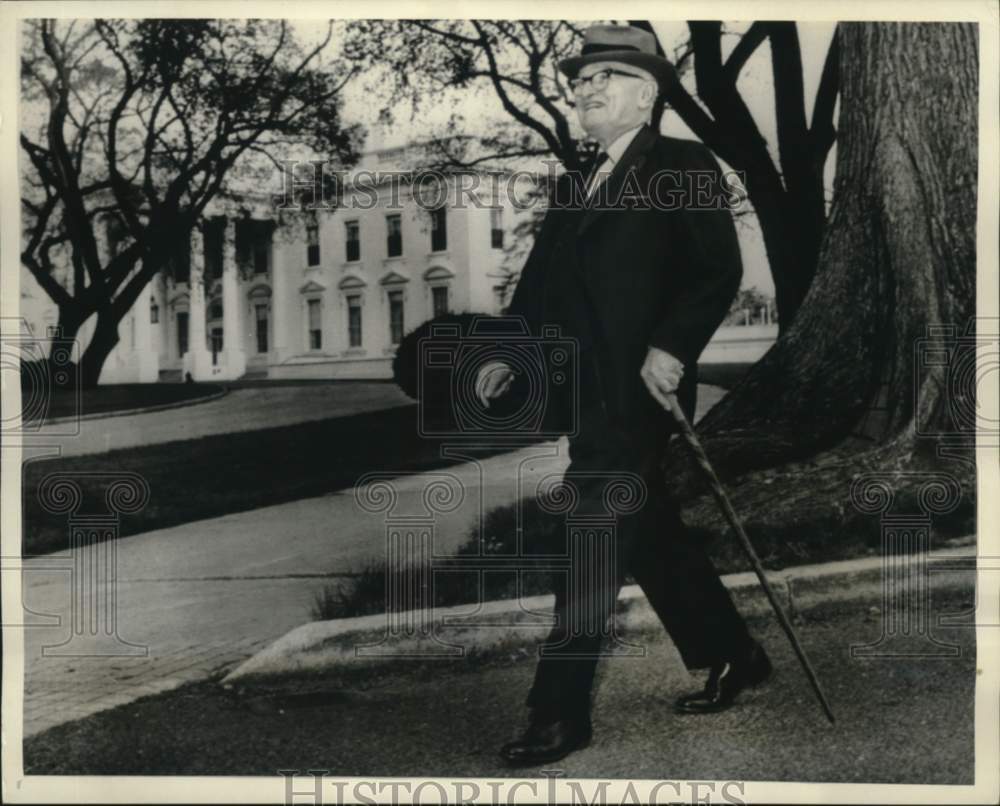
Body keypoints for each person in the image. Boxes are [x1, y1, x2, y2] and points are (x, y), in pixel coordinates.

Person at [476, 24, 771, 766]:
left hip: (642, 390)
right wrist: (510, 352)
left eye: (604, 77)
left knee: (592, 531)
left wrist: (672, 347)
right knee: (650, 529)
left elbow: (715, 270)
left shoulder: (682, 163)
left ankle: (558, 711)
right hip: (585, 395)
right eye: (580, 82)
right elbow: (539, 287)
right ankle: (734, 652)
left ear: (647, 94)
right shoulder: (575, 183)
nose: (586, 90)